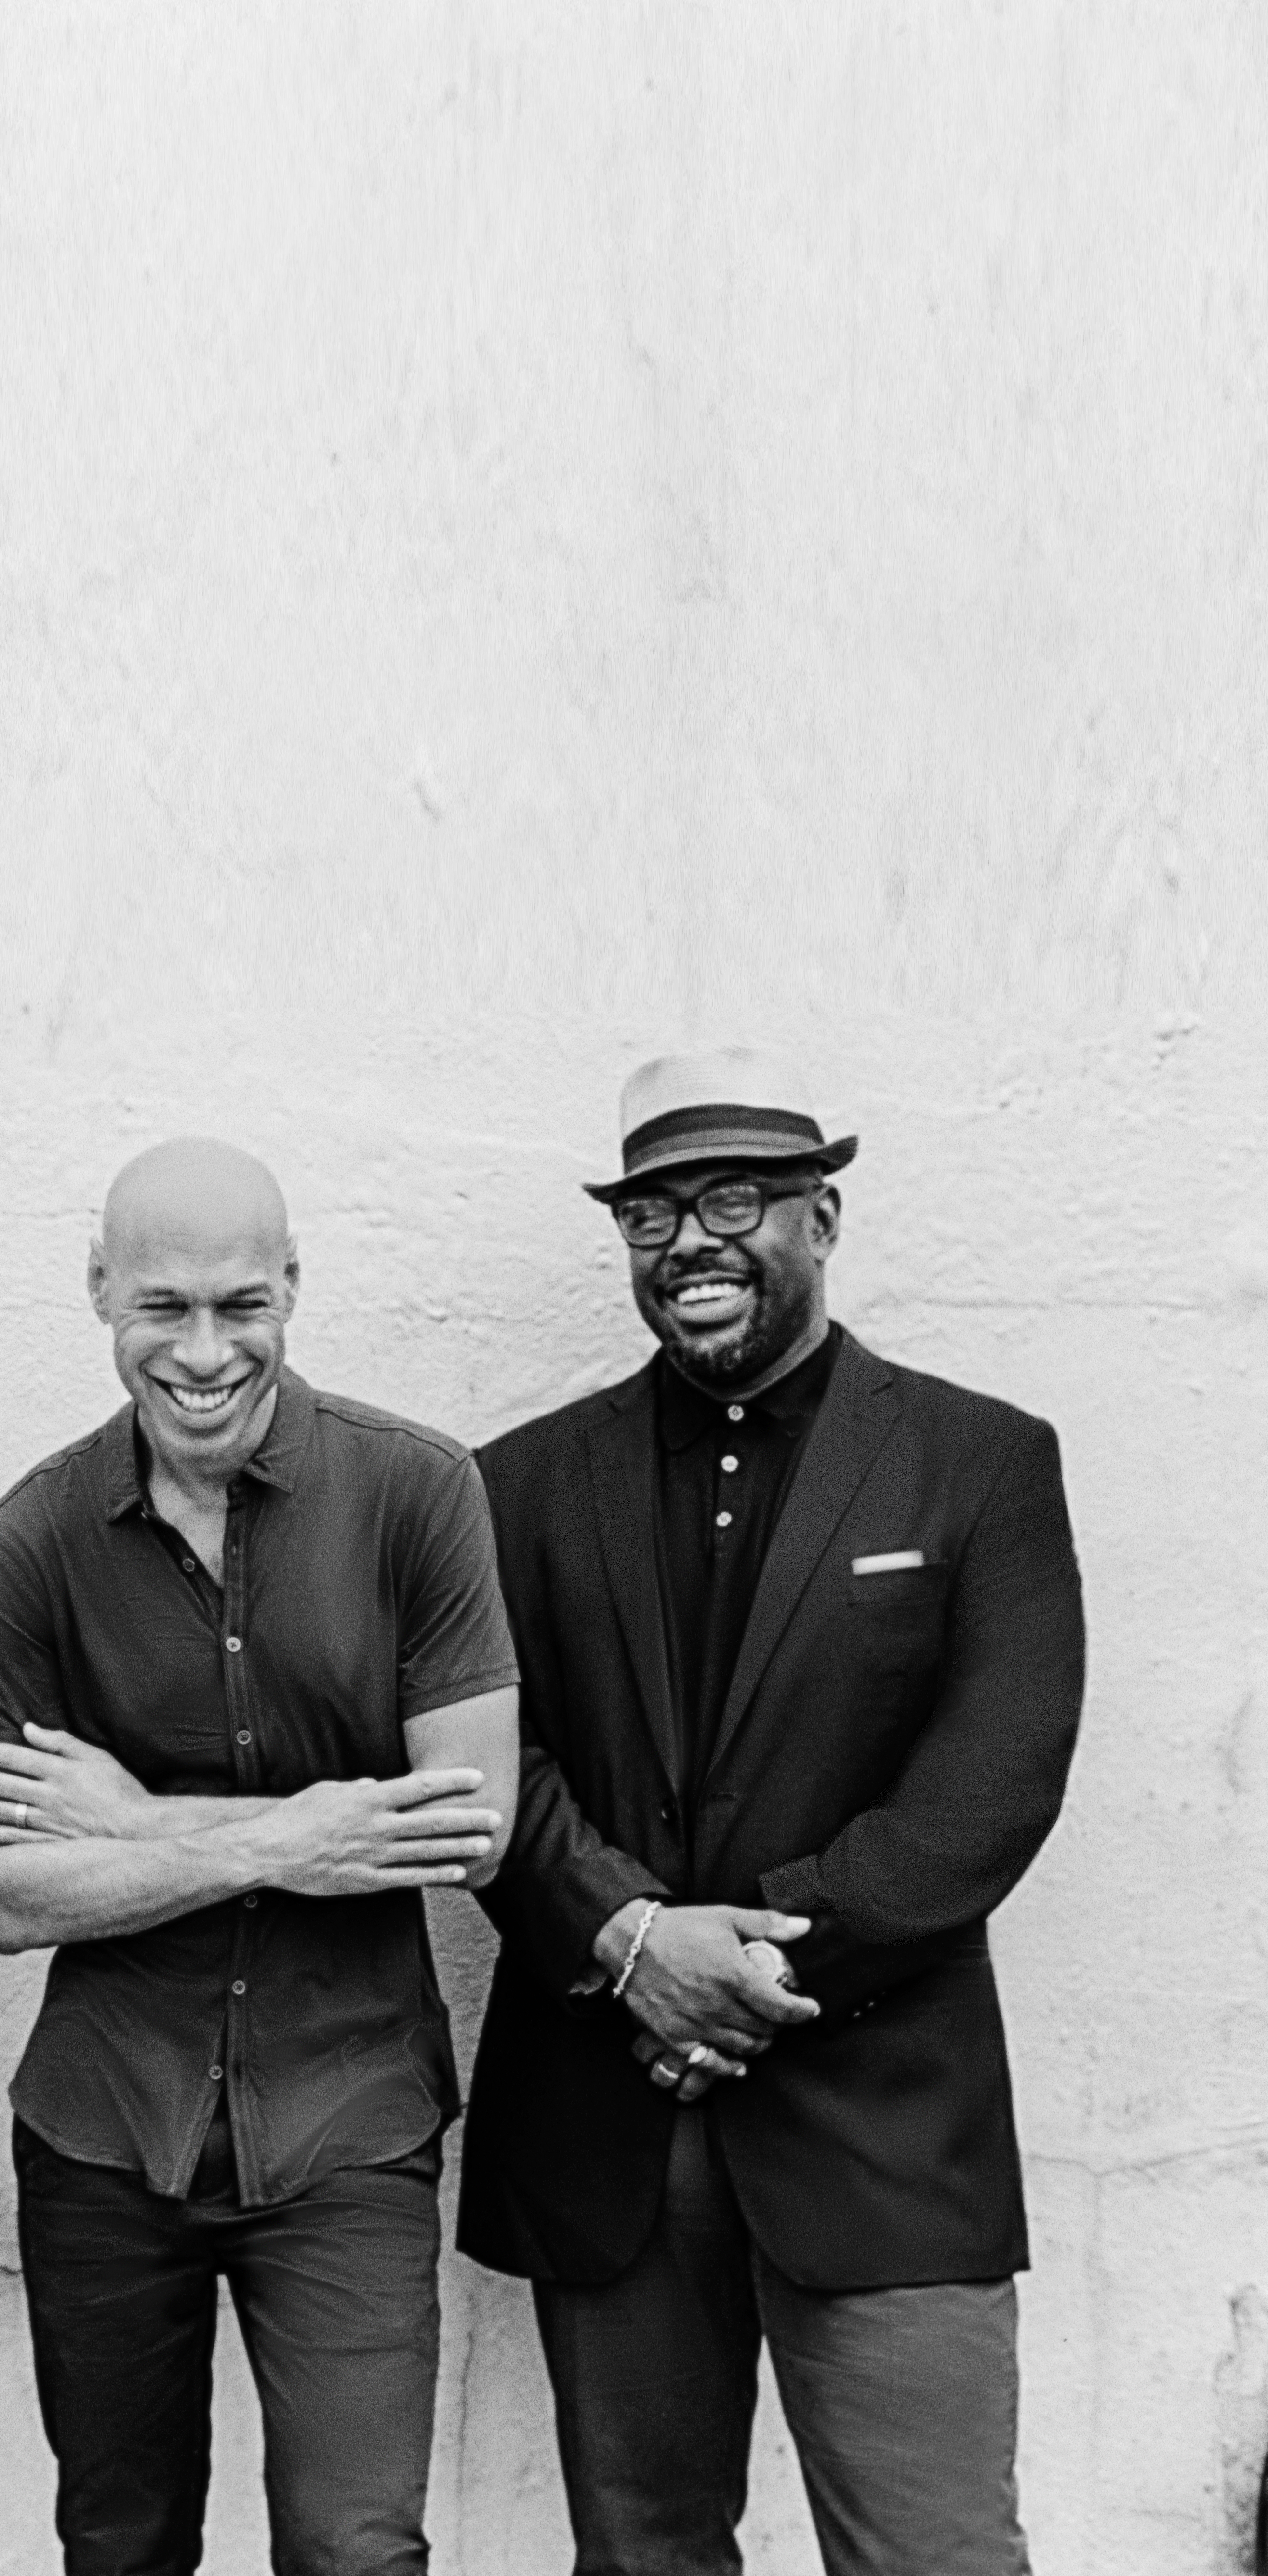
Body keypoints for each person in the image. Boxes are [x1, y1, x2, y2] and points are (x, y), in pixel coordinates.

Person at [459, 1046, 1086, 2576]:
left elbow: (988, 1783)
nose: (690, 1240)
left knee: (937, 2557)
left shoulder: (980, 1462)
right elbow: (480, 1761)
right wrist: (629, 1941)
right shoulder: (511, 1486)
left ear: (822, 1215)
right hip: (608, 2129)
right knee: (641, 2560)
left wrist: (734, 1967)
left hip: (883, 2128)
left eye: (734, 1198)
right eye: (651, 1212)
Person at [0, 1137, 521, 2576]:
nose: (204, 1352)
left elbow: (467, 1825)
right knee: (120, 2546)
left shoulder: (417, 1492)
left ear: (292, 1287)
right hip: (103, 2127)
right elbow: (4, 1895)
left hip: (351, 2120)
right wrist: (298, 1836)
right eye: (163, 1306)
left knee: (357, 2552)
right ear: (99, 1289)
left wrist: (130, 1822)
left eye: (240, 1304)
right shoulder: (29, 1537)